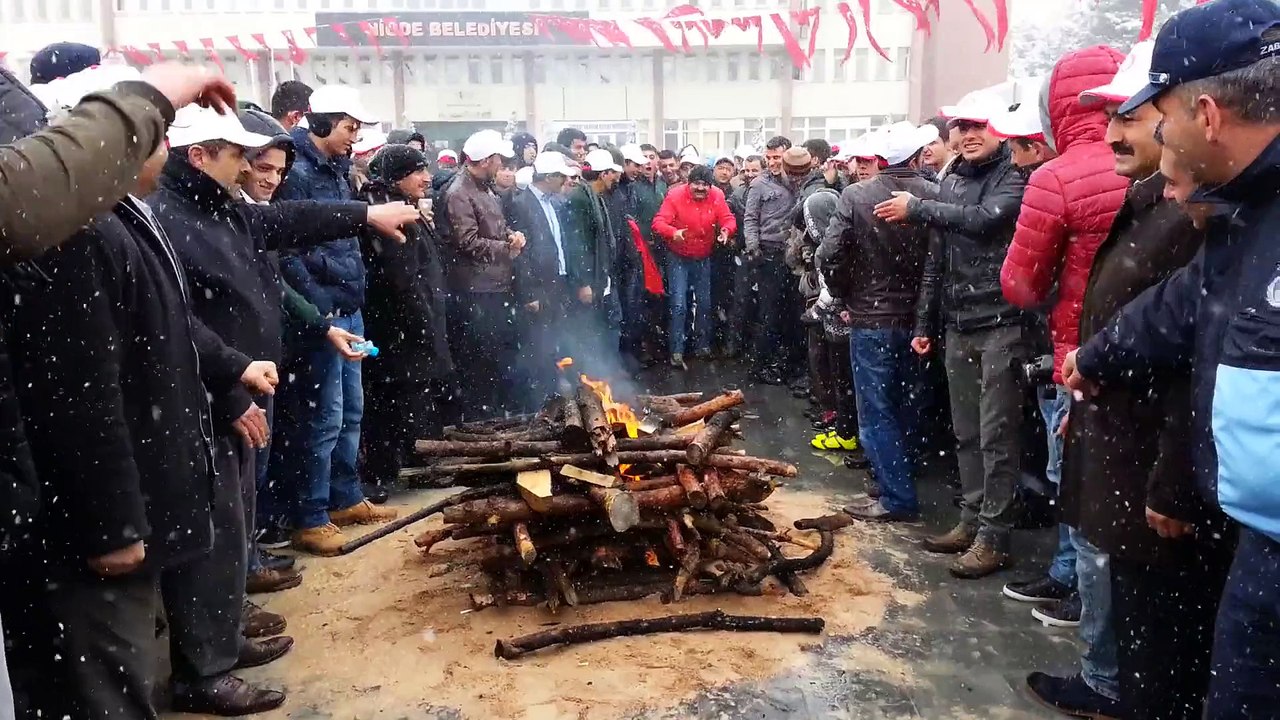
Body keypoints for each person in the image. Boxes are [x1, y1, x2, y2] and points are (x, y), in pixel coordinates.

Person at [1062, 2, 1279, 716]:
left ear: (1207, 114)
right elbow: (1181, 307)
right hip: (1257, 537)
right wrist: (1095, 357)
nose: (1151, 132)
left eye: (1158, 113)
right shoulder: (1239, 211)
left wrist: (1175, 482)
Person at [1022, 38, 1229, 720]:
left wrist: (1172, 474)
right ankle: (1111, 679)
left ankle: (1113, 685)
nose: (1112, 133)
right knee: (1113, 571)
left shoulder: (1193, 212)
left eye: (1130, 116)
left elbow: (1193, 357)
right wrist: (1086, 369)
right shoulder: (1154, 199)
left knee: (1148, 616)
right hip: (1115, 425)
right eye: (1107, 118)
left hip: (1150, 452)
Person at [879, 91, 1033, 578]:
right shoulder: (951, 182)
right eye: (961, 127)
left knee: (997, 435)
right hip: (958, 324)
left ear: (1000, 132)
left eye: (979, 126)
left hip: (1002, 323)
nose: (968, 135)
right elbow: (936, 264)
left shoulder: (1014, 177)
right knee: (967, 432)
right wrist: (925, 324)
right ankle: (970, 521)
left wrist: (920, 207)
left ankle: (995, 536)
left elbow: (986, 222)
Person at [275, 85, 401, 555]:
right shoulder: (298, 173)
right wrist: (319, 309)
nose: (354, 138)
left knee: (351, 408)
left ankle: (345, 495)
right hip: (323, 314)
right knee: (322, 416)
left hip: (350, 306)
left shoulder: (338, 169)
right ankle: (311, 513)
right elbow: (288, 251)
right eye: (350, 127)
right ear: (323, 123)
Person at [819, 122, 940, 523]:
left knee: (876, 408)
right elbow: (939, 264)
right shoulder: (936, 195)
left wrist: (843, 295)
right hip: (919, 319)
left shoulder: (857, 195)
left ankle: (896, 495)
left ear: (883, 158)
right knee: (908, 402)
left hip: (872, 317)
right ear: (918, 155)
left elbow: (831, 254)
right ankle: (899, 478)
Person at [358, 145, 456, 495]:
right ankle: (384, 474)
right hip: (398, 327)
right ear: (397, 176)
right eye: (417, 171)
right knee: (394, 400)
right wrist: (424, 325)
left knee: (409, 397)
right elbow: (401, 280)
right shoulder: (387, 212)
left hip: (411, 323)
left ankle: (407, 464)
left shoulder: (402, 205)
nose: (427, 177)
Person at [442, 129, 525, 418]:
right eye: (499, 159)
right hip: (477, 292)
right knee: (479, 362)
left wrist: (512, 235)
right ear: (487, 159)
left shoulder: (485, 188)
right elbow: (467, 242)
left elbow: (495, 227)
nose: (502, 164)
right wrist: (506, 248)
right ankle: (480, 421)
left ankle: (493, 413)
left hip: (496, 287)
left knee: (497, 359)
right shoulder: (459, 193)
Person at [508, 151, 577, 401]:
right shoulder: (521, 204)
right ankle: (539, 401)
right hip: (538, 287)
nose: (565, 182)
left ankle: (553, 395)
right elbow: (521, 254)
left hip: (556, 283)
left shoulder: (552, 202)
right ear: (549, 177)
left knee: (554, 341)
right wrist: (529, 292)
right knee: (538, 345)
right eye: (561, 177)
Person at [652, 164, 736, 369]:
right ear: (688, 184)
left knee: (705, 304)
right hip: (678, 256)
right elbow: (658, 222)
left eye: (704, 185)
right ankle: (677, 350)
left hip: (703, 256)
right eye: (696, 184)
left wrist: (726, 230)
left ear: (710, 186)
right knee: (679, 304)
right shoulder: (674, 196)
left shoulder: (717, 196)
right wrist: (673, 232)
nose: (700, 188)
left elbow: (728, 218)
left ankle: (702, 346)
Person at [745, 146, 807, 385]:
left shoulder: (798, 180)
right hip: (769, 253)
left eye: (777, 157)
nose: (772, 162)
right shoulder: (760, 184)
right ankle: (761, 366)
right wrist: (753, 248)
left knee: (792, 313)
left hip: (795, 255)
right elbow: (750, 217)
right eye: (768, 157)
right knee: (769, 313)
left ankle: (787, 364)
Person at [563, 148, 624, 371]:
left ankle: (607, 373)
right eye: (612, 173)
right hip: (591, 277)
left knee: (609, 323)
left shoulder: (593, 196)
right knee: (594, 328)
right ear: (603, 174)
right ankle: (595, 374)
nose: (615, 178)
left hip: (602, 275)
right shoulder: (580, 198)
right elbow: (576, 244)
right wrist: (583, 282)